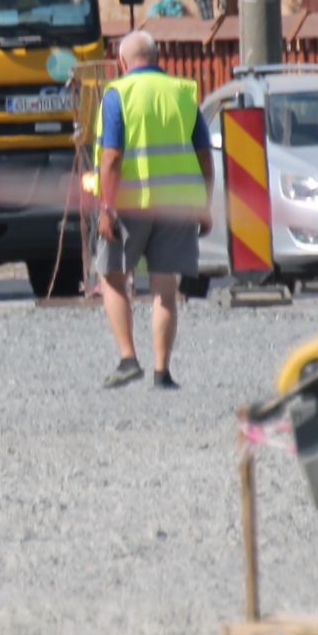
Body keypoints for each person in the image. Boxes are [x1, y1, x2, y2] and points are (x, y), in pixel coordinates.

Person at [92, 30, 213, 390]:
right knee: (164, 286)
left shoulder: (118, 94)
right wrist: (205, 206)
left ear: (122, 61)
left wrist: (106, 208)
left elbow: (111, 158)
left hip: (130, 205)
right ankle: (162, 371)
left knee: (113, 277)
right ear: (158, 58)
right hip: (177, 205)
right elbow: (205, 158)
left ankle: (128, 359)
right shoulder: (183, 93)